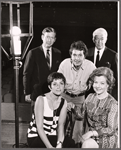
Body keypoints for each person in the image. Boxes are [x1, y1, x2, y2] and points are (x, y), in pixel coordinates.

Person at [68, 67, 118, 148]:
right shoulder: (90, 97)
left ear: (108, 85)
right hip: (90, 136)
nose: (97, 86)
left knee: (87, 144)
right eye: (95, 82)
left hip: (107, 137)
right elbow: (81, 115)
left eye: (102, 83)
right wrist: (73, 107)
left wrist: (91, 133)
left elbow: (111, 129)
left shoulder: (113, 104)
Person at [58, 40, 96, 145]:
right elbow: (57, 84)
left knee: (78, 127)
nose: (77, 58)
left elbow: (98, 81)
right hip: (64, 96)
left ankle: (75, 145)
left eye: (80, 55)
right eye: (74, 55)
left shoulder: (91, 66)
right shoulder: (64, 64)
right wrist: (64, 102)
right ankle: (59, 143)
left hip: (80, 98)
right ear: (71, 55)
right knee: (61, 123)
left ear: (84, 56)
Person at [27, 72, 76, 148]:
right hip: (36, 136)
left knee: (70, 143)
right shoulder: (41, 99)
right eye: (55, 84)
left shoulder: (63, 102)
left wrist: (59, 143)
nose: (58, 87)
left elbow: (60, 125)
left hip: (52, 135)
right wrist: (50, 147)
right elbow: (39, 127)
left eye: (61, 84)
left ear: (64, 86)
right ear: (50, 87)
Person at [23, 27, 61, 103]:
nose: (49, 40)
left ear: (55, 39)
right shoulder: (33, 53)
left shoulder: (58, 53)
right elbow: (26, 74)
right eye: (47, 37)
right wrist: (27, 93)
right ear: (42, 37)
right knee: (37, 114)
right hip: (37, 93)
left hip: (53, 93)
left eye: (52, 37)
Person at [87, 27, 118, 100]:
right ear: (93, 40)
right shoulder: (87, 53)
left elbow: (116, 77)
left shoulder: (113, 55)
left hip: (105, 93)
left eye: (102, 39)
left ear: (106, 39)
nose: (99, 42)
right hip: (90, 93)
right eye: (97, 39)